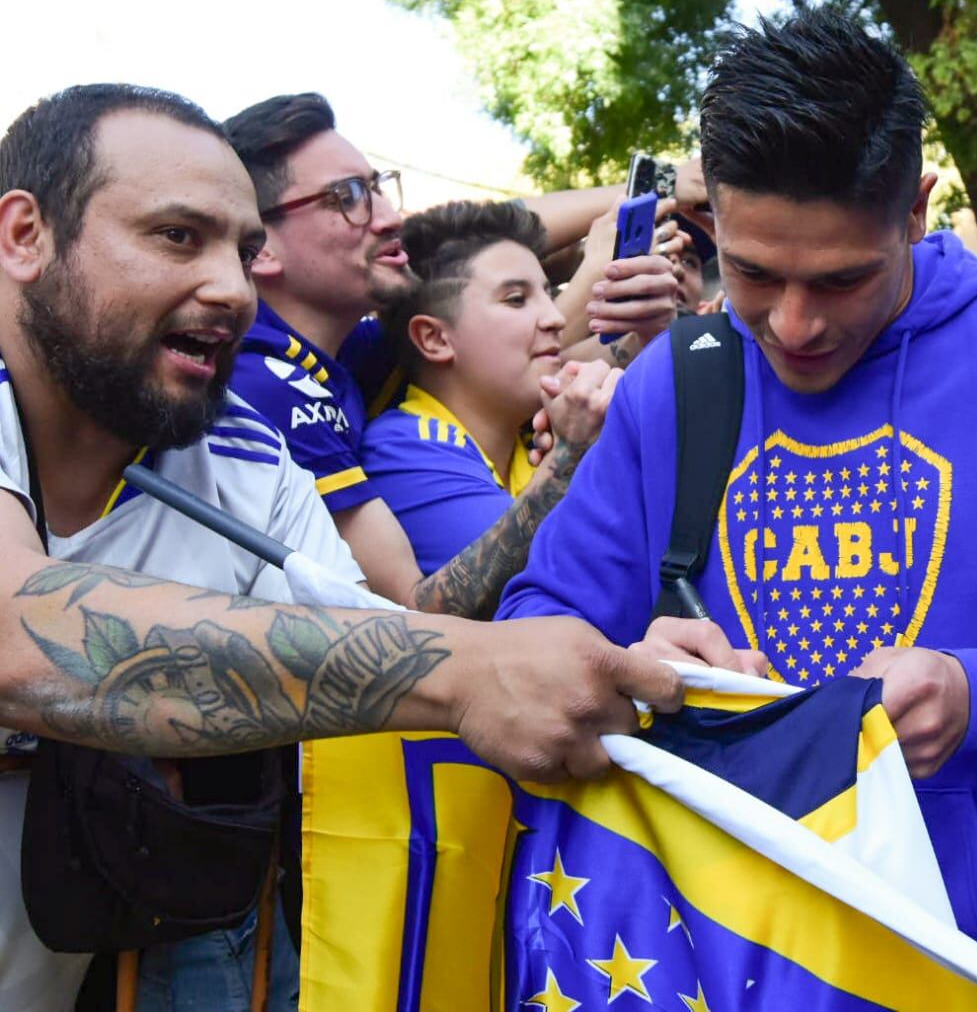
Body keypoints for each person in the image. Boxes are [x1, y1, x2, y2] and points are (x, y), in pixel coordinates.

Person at [495, 8, 977, 1005]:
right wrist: (631, 661)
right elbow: (530, 633)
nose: (796, 324)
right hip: (745, 962)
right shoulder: (676, 385)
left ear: (916, 210)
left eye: (842, 278)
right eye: (754, 275)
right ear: (712, 222)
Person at [0, 85, 696, 1011]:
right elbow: (21, 632)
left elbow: (378, 645)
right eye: (177, 236)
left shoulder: (246, 457)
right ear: (23, 236)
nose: (232, 289)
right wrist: (468, 670)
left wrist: (625, 673)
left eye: (245, 252)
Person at [220, 93, 669, 617]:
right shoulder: (267, 381)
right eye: (347, 196)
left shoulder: (348, 353)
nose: (390, 218)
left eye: (376, 188)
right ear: (261, 246)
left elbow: (484, 262)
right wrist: (569, 457)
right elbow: (417, 609)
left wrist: (658, 198)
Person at [361, 199, 619, 573]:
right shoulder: (404, 447)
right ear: (434, 339)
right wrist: (575, 454)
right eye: (516, 300)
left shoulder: (529, 434)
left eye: (547, 293)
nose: (554, 318)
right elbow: (570, 579)